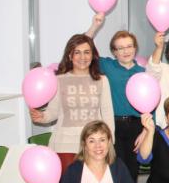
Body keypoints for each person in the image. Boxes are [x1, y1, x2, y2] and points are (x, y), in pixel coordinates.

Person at [30, 34, 114, 175]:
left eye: (87, 52)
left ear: (93, 56)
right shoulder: (59, 80)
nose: (83, 57)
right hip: (64, 145)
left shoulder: (102, 80)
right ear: (70, 56)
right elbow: (53, 112)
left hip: (93, 146)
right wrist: (41, 117)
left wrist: (110, 142)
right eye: (77, 52)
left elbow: (107, 114)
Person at [86, 14, 146, 182]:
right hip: (113, 125)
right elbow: (84, 47)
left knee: (132, 168)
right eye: (120, 48)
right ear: (114, 52)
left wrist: (146, 131)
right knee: (115, 167)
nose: (125, 51)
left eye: (129, 46)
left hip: (136, 125)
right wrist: (94, 27)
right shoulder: (108, 66)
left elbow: (150, 105)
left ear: (135, 48)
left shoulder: (142, 72)